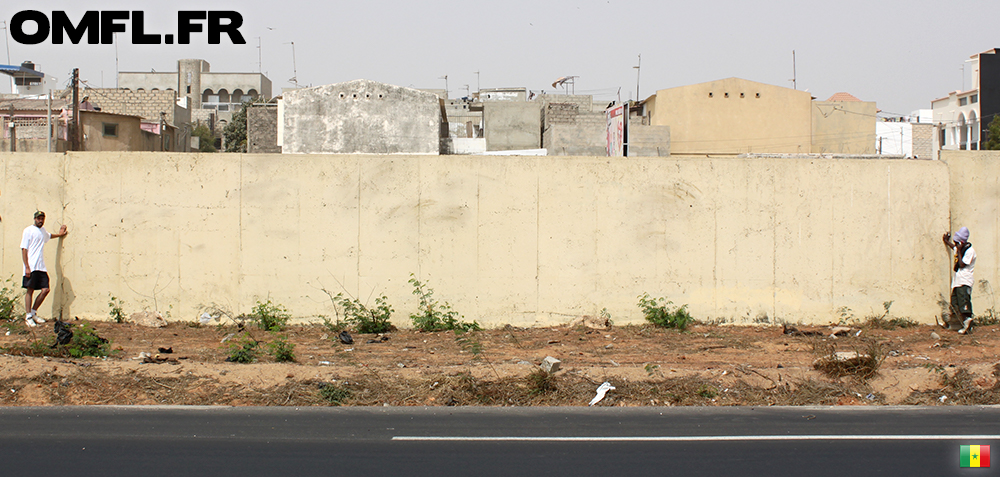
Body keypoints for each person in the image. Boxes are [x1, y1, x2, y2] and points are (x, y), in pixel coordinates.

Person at [21, 211, 67, 327]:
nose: (40, 220)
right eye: (38, 218)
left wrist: (60, 234)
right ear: (34, 219)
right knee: (30, 290)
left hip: (41, 266)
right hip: (31, 266)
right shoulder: (28, 230)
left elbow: (49, 236)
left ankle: (33, 312)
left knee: (45, 289)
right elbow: (24, 249)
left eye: (42, 218)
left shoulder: (42, 231)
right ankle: (28, 316)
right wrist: (27, 267)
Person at [942, 226, 976, 334]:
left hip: (965, 281)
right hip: (957, 281)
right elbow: (954, 248)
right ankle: (958, 323)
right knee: (955, 302)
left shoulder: (970, 251)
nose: (955, 244)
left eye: (957, 242)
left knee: (963, 303)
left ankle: (968, 323)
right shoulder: (961, 248)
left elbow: (961, 264)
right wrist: (946, 241)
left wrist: (960, 251)